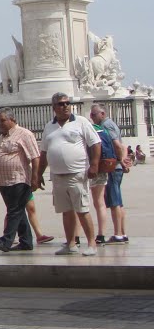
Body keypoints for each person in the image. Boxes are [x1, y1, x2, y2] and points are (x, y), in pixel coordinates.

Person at [38, 93, 101, 256]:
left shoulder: (81, 122)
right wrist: (38, 175)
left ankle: (92, 243)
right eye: (60, 104)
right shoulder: (49, 127)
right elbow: (43, 152)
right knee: (66, 211)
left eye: (67, 103)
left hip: (77, 173)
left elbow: (95, 143)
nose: (65, 106)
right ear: (54, 107)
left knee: (82, 209)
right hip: (57, 175)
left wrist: (94, 164)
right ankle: (71, 243)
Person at [0, 109, 41, 252]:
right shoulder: (2, 137)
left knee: (14, 210)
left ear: (12, 120)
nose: (0, 124)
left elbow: (35, 157)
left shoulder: (24, 134)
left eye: (3, 120)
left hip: (19, 179)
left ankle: (6, 241)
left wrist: (35, 177)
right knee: (18, 212)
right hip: (4, 181)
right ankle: (26, 242)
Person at [90, 104, 129, 244]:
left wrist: (120, 161)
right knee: (118, 201)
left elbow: (118, 145)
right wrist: (123, 160)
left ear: (102, 113)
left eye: (94, 115)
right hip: (117, 165)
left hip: (112, 166)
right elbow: (123, 146)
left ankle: (118, 234)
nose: (92, 118)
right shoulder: (112, 123)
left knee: (114, 202)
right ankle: (122, 233)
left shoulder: (105, 125)